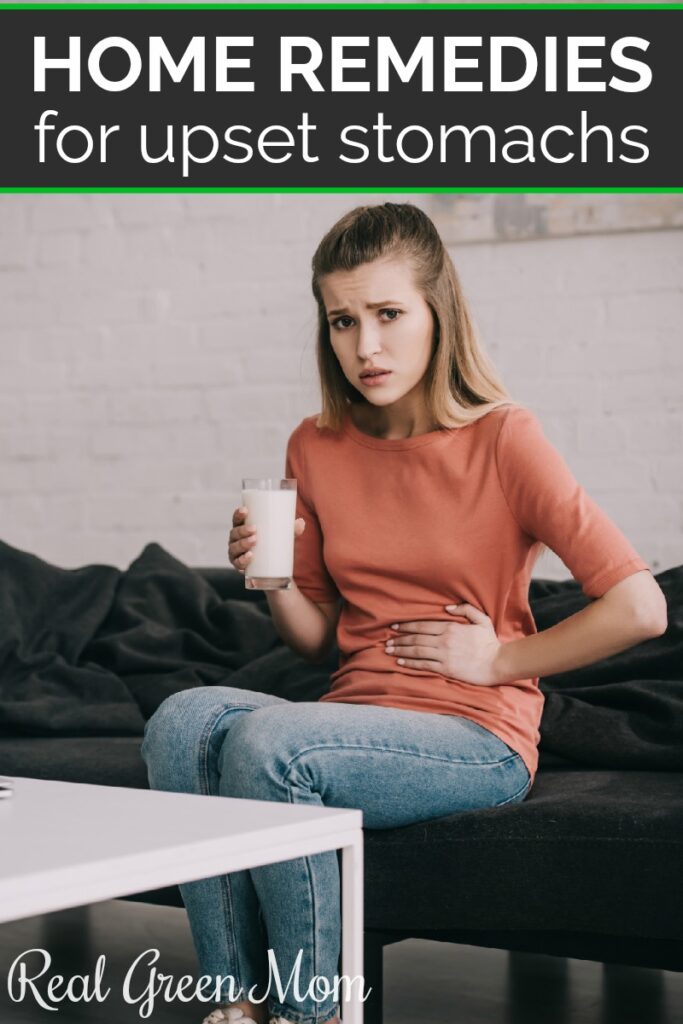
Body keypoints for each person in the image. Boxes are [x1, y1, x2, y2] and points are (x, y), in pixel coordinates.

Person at [140, 202, 667, 1024]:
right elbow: (317, 643)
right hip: (354, 714)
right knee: (180, 721)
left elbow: (640, 607)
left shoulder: (503, 438)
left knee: (272, 742)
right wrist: (272, 578)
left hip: (475, 735)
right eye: (343, 320)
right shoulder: (316, 444)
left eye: (388, 314)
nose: (366, 346)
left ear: (436, 312)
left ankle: (312, 1014)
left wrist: (497, 661)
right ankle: (233, 1002)